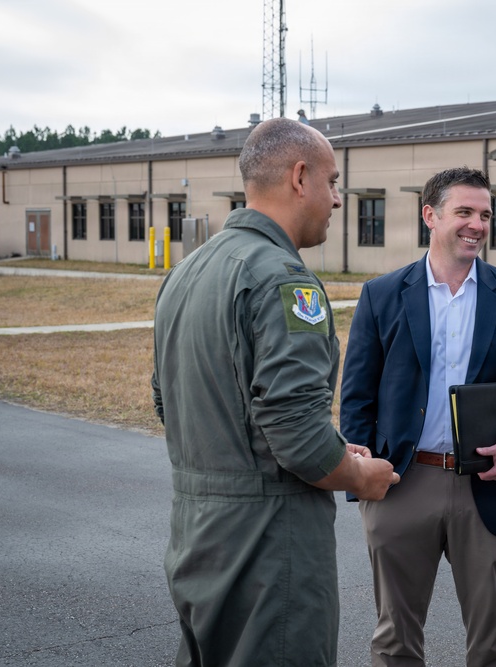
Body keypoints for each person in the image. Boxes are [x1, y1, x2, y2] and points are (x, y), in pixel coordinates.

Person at [151, 117, 399, 666]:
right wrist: (361, 475)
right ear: (300, 176)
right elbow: (297, 438)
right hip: (267, 547)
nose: (337, 200)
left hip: (196, 536)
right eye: (332, 183)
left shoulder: (186, 273)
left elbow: (174, 403)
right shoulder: (283, 280)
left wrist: (327, 445)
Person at [340, 167, 496, 666]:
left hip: (489, 485)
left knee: (494, 645)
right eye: (464, 212)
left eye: (486, 214)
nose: (478, 224)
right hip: (402, 483)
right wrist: (364, 479)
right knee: (394, 640)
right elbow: (356, 395)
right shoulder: (382, 295)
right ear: (431, 215)